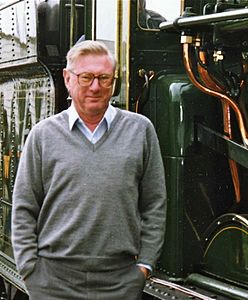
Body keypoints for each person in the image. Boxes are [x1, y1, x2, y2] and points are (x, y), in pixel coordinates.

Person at [12, 40, 166, 300]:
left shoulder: (140, 130)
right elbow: (24, 208)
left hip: (119, 284)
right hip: (53, 284)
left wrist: (144, 266)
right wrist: (30, 272)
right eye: (86, 77)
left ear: (113, 82)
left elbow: (155, 204)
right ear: (67, 78)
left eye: (104, 78)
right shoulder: (43, 136)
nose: (95, 87)